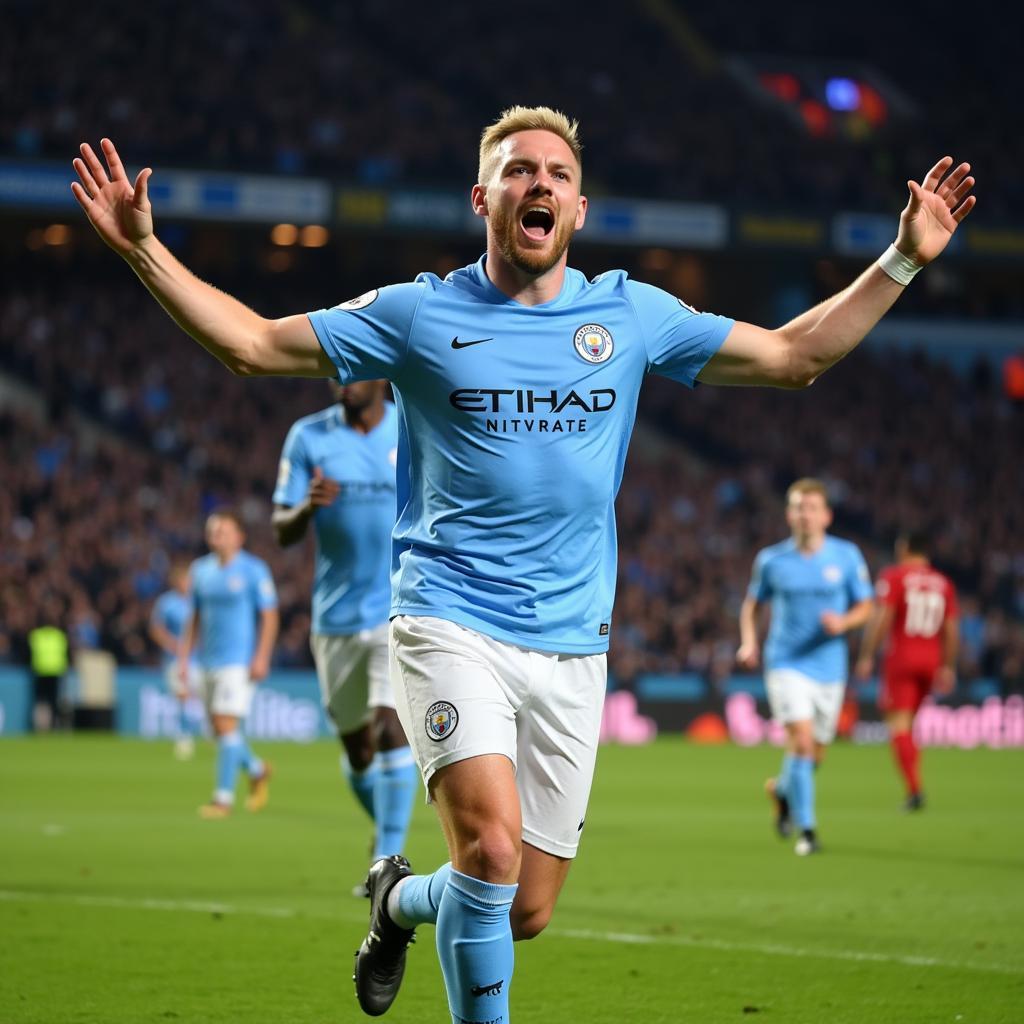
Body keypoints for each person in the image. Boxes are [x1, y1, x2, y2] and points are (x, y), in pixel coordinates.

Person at [72, 107, 975, 1021]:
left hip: (573, 645)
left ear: (579, 209)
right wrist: (143, 249)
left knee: (524, 907)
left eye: (556, 174)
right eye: (517, 171)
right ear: (484, 198)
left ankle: (396, 900)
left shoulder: (629, 315)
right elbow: (253, 344)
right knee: (492, 857)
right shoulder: (418, 312)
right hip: (446, 618)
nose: (538, 183)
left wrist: (901, 259)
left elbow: (794, 356)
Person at [272, 380, 418, 889]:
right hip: (334, 617)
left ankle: (387, 863)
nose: (339, 382)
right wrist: (307, 507)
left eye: (350, 372)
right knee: (359, 752)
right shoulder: (309, 437)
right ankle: (384, 832)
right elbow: (281, 529)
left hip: (398, 606)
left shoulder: (413, 421)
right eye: (332, 373)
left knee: (388, 728)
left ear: (379, 376)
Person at [737, 479, 874, 855]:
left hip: (830, 667)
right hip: (785, 663)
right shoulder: (771, 560)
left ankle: (782, 792)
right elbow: (751, 605)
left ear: (826, 515)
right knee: (799, 740)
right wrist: (750, 641)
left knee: (814, 753)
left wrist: (844, 624)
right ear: (789, 514)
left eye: (812, 507)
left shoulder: (846, 556)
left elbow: (866, 606)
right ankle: (808, 831)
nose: (805, 514)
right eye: (798, 507)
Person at [180, 508, 279, 818]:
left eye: (222, 531)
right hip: (207, 660)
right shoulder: (200, 570)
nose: (216, 536)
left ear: (239, 536)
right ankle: (257, 768)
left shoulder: (254, 570)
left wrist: (261, 656)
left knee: (225, 725)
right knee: (217, 731)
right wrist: (184, 657)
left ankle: (222, 799)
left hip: (237, 661)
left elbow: (269, 616)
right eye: (212, 531)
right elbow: (193, 617)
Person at [854, 531, 959, 810]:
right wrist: (948, 666)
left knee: (898, 726)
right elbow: (951, 629)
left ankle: (914, 790)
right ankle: (914, 787)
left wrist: (866, 655)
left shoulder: (895, 576)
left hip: (902, 659)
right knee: (909, 726)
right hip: (931, 659)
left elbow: (883, 618)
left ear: (905, 548)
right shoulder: (943, 583)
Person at [149, 562, 202, 759]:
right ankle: (184, 737)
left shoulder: (198, 601)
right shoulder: (166, 602)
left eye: (189, 580)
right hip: (175, 660)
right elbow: (156, 629)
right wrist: (173, 644)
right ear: (175, 582)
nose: (186, 584)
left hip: (200, 659)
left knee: (205, 698)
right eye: (183, 580)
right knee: (183, 697)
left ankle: (213, 735)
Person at [28, 598, 69, 732]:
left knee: (40, 702)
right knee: (53, 702)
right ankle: (53, 726)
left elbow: (28, 653)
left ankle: (39, 727)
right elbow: (67, 654)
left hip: (40, 671)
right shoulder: (60, 635)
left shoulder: (36, 635)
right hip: (55, 672)